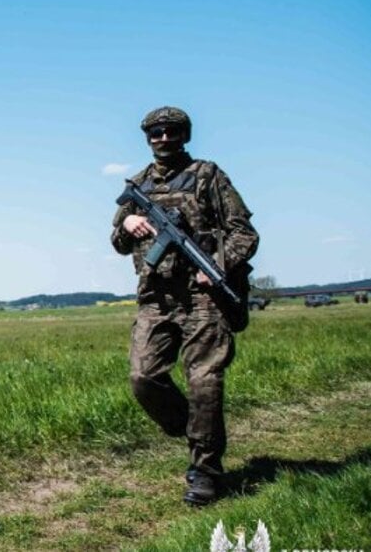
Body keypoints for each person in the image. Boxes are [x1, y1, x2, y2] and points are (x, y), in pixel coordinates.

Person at [110, 106, 259, 506]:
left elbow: (244, 233)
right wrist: (126, 225)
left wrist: (220, 267)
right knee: (143, 376)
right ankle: (189, 425)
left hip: (203, 298)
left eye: (171, 131)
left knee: (204, 384)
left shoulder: (208, 176)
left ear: (184, 134)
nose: (163, 138)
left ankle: (205, 472)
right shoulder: (138, 184)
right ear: (147, 138)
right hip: (156, 297)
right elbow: (117, 240)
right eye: (155, 132)